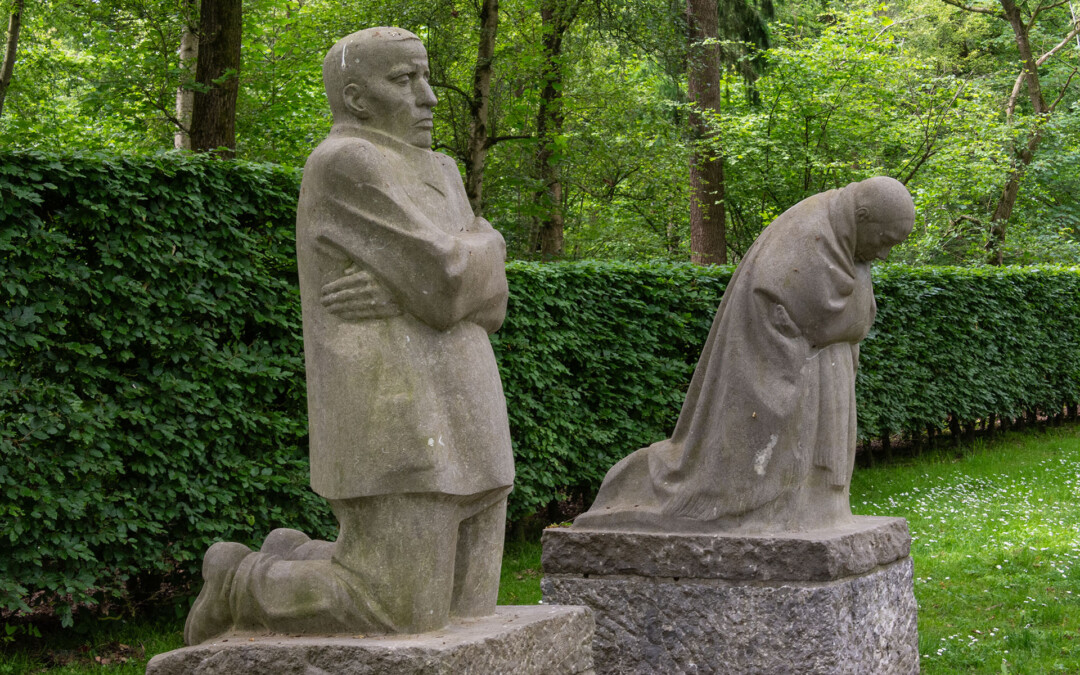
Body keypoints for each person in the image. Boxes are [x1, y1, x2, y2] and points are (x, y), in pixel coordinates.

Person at [183, 27, 514, 644]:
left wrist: (433, 278)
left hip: (472, 410)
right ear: (358, 98)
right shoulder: (346, 162)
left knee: (470, 606)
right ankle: (239, 581)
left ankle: (299, 552)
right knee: (401, 610)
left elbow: (489, 301)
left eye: (425, 77)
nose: (429, 97)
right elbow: (446, 281)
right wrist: (475, 253)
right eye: (404, 79)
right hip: (398, 419)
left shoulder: (442, 168)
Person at [573, 177, 914, 534]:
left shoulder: (844, 236)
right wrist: (844, 323)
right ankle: (761, 510)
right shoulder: (808, 237)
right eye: (885, 241)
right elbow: (821, 320)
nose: (884, 254)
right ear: (861, 217)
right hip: (773, 367)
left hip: (818, 365)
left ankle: (808, 510)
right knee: (741, 473)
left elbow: (851, 319)